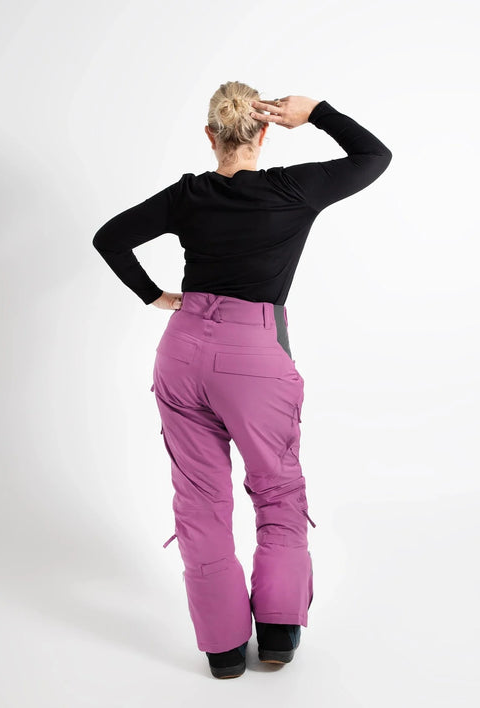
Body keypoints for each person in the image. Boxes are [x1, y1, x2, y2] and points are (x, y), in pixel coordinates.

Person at [92, 81, 392, 679]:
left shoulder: (188, 195)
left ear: (211, 135)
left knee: (199, 500)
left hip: (181, 353)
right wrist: (317, 113)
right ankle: (277, 633)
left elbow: (110, 238)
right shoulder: (294, 189)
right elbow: (373, 156)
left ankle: (223, 649)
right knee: (276, 488)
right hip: (253, 355)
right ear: (264, 131)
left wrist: (156, 297)